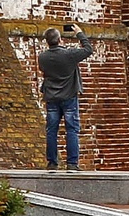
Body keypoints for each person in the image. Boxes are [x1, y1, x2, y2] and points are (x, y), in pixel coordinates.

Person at [38, 22, 95, 168]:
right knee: (72, 130)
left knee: (51, 130)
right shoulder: (69, 55)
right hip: (69, 96)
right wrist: (79, 33)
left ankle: (52, 162)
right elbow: (88, 49)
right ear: (59, 40)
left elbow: (43, 70)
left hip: (51, 97)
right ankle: (72, 163)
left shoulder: (42, 57)